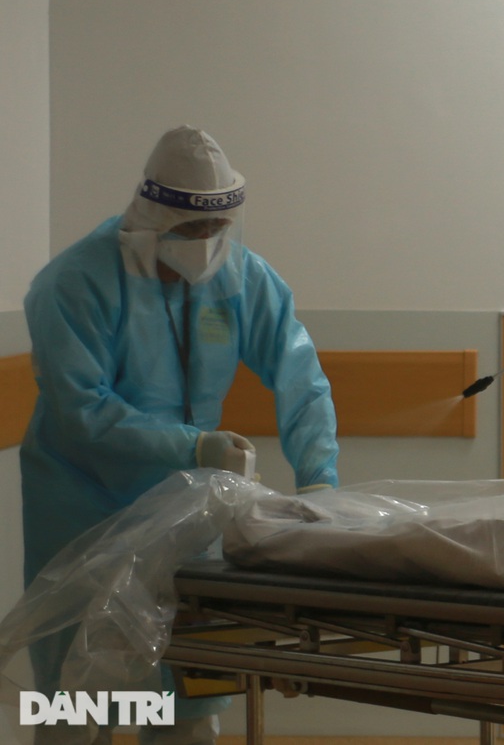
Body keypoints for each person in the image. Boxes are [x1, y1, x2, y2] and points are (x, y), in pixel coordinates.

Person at [20, 125, 340, 744]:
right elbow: (82, 411)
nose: (205, 243)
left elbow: (301, 377)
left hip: (190, 510)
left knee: (187, 689)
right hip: (82, 507)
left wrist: (319, 479)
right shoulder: (75, 283)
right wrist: (193, 446)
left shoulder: (240, 278)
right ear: (153, 216)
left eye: (217, 228)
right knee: (76, 698)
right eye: (192, 229)